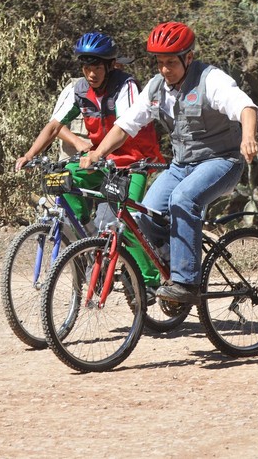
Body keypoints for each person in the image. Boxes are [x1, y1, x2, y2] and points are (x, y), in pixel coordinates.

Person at [79, 21, 258, 305]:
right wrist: (98, 153)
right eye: (160, 63)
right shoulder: (156, 89)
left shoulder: (210, 80)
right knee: (144, 217)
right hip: (181, 165)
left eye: (171, 63)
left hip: (221, 160)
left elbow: (245, 107)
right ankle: (172, 262)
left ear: (188, 58)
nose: (165, 69)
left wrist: (248, 137)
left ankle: (186, 282)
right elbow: (126, 125)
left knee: (183, 199)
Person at [15, 32, 165, 295]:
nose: (91, 73)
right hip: (102, 160)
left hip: (133, 163)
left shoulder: (125, 85)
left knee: (124, 221)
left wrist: (97, 154)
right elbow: (54, 126)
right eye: (86, 68)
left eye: (97, 67)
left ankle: (150, 280)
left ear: (109, 65)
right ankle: (89, 235)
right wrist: (29, 155)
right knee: (63, 178)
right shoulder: (79, 89)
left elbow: (124, 127)